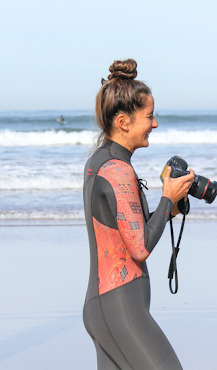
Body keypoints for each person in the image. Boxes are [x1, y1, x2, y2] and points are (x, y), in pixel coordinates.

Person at [82, 60, 195, 370]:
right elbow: (140, 247)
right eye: (149, 116)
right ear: (124, 121)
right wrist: (166, 196)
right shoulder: (117, 170)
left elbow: (127, 231)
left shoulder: (102, 161)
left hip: (109, 307)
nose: (155, 124)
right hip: (120, 309)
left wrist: (169, 208)